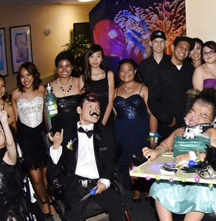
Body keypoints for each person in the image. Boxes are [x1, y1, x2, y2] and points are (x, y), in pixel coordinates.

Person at [48, 94, 140, 221]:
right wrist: (57, 148)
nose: (95, 110)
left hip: (97, 182)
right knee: (73, 213)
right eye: (90, 107)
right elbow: (52, 174)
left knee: (115, 199)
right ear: (79, 110)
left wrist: (105, 181)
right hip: (74, 184)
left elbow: (108, 162)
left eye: (97, 108)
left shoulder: (104, 132)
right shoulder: (65, 133)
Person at [143, 90, 216, 221]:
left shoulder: (211, 133)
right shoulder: (180, 132)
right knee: (158, 188)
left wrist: (192, 155)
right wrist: (156, 151)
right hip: (180, 179)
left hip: (204, 183)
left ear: (212, 120)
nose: (195, 117)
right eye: (192, 112)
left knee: (203, 195)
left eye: (203, 115)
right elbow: (166, 144)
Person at [12, 62, 53, 215]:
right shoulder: (15, 94)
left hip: (41, 136)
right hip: (27, 139)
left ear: (34, 75)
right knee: (35, 177)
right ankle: (43, 200)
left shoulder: (42, 90)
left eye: (28, 75)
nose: (25, 79)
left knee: (45, 175)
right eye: (22, 76)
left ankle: (49, 199)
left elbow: (47, 114)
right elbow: (15, 120)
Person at [113, 59, 155, 201]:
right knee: (126, 158)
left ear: (135, 71)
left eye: (129, 69)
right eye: (122, 70)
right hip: (122, 130)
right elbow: (114, 113)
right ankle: (135, 188)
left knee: (143, 156)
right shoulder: (115, 91)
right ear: (118, 73)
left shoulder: (144, 88)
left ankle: (147, 187)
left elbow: (152, 114)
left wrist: (153, 135)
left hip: (141, 128)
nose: (126, 73)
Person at [148, 33, 195, 140]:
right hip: (168, 125)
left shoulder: (191, 70)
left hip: (189, 123)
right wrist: (168, 119)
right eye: (181, 47)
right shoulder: (160, 71)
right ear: (173, 48)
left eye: (187, 49)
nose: (183, 50)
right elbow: (153, 101)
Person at [51, 51, 84, 132]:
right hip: (59, 130)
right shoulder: (50, 87)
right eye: (60, 66)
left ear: (72, 67)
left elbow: (86, 107)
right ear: (57, 68)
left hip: (79, 127)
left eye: (67, 66)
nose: (64, 69)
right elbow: (49, 114)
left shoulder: (79, 81)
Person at [83, 44, 115, 128]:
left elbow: (110, 102)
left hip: (107, 117)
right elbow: (84, 104)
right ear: (88, 59)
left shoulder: (109, 74)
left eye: (98, 56)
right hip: (90, 119)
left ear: (102, 58)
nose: (95, 60)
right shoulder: (83, 78)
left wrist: (102, 124)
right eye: (92, 56)